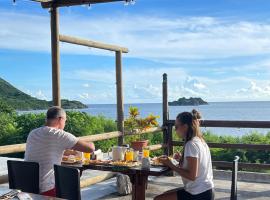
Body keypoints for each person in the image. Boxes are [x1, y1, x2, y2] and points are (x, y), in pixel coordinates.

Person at [24, 106, 95, 197]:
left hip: (26, 187)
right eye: (65, 121)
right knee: (69, 184)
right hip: (46, 190)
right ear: (60, 119)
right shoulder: (59, 134)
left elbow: (48, 150)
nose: (64, 124)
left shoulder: (33, 133)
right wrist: (90, 142)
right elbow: (90, 148)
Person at [154, 109, 214, 200]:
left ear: (185, 127)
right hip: (206, 191)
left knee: (158, 199)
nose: (175, 130)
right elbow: (197, 165)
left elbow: (192, 176)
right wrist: (182, 158)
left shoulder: (191, 144)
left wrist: (170, 164)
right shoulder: (200, 141)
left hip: (198, 194)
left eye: (176, 127)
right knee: (165, 194)